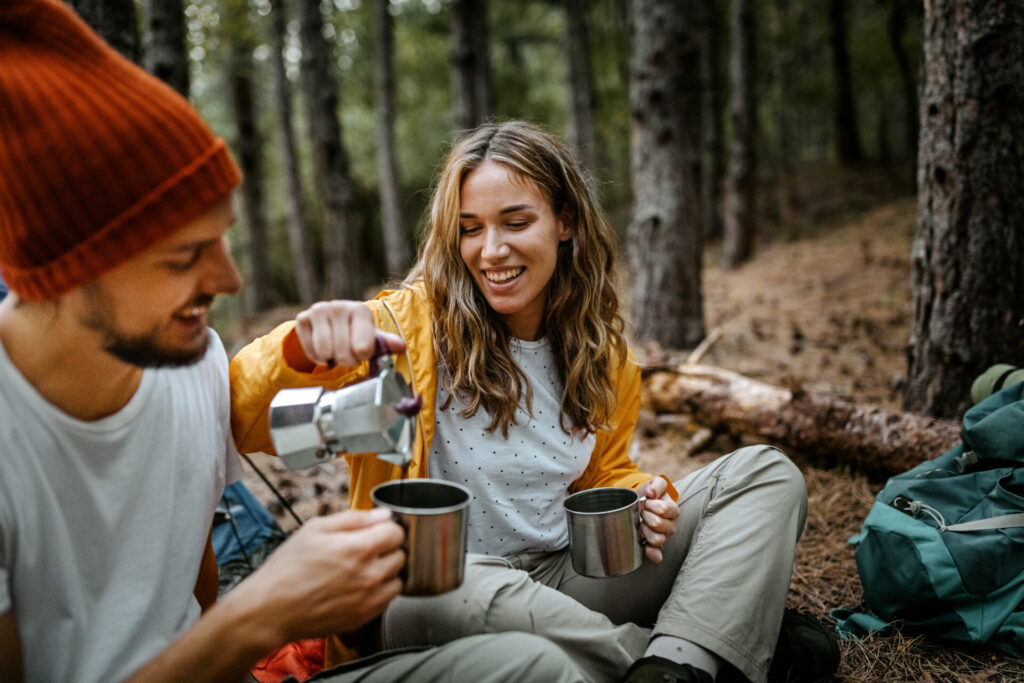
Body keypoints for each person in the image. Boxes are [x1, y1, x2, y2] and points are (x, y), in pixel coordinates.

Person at [0, 4, 584, 682]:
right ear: (70, 271)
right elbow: (258, 417)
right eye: (185, 254)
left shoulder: (188, 366)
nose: (228, 277)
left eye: (223, 237)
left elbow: (193, 594)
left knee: (531, 666)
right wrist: (261, 614)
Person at [231, 121, 841, 682]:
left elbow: (603, 476)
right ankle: (685, 655)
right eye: (470, 228)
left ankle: (674, 664)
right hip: (428, 595)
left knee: (765, 473)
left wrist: (645, 499)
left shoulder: (599, 355)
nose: (490, 250)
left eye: (515, 222)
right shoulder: (399, 332)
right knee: (454, 581)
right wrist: (299, 349)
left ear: (566, 221)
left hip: (562, 579)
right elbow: (244, 422)